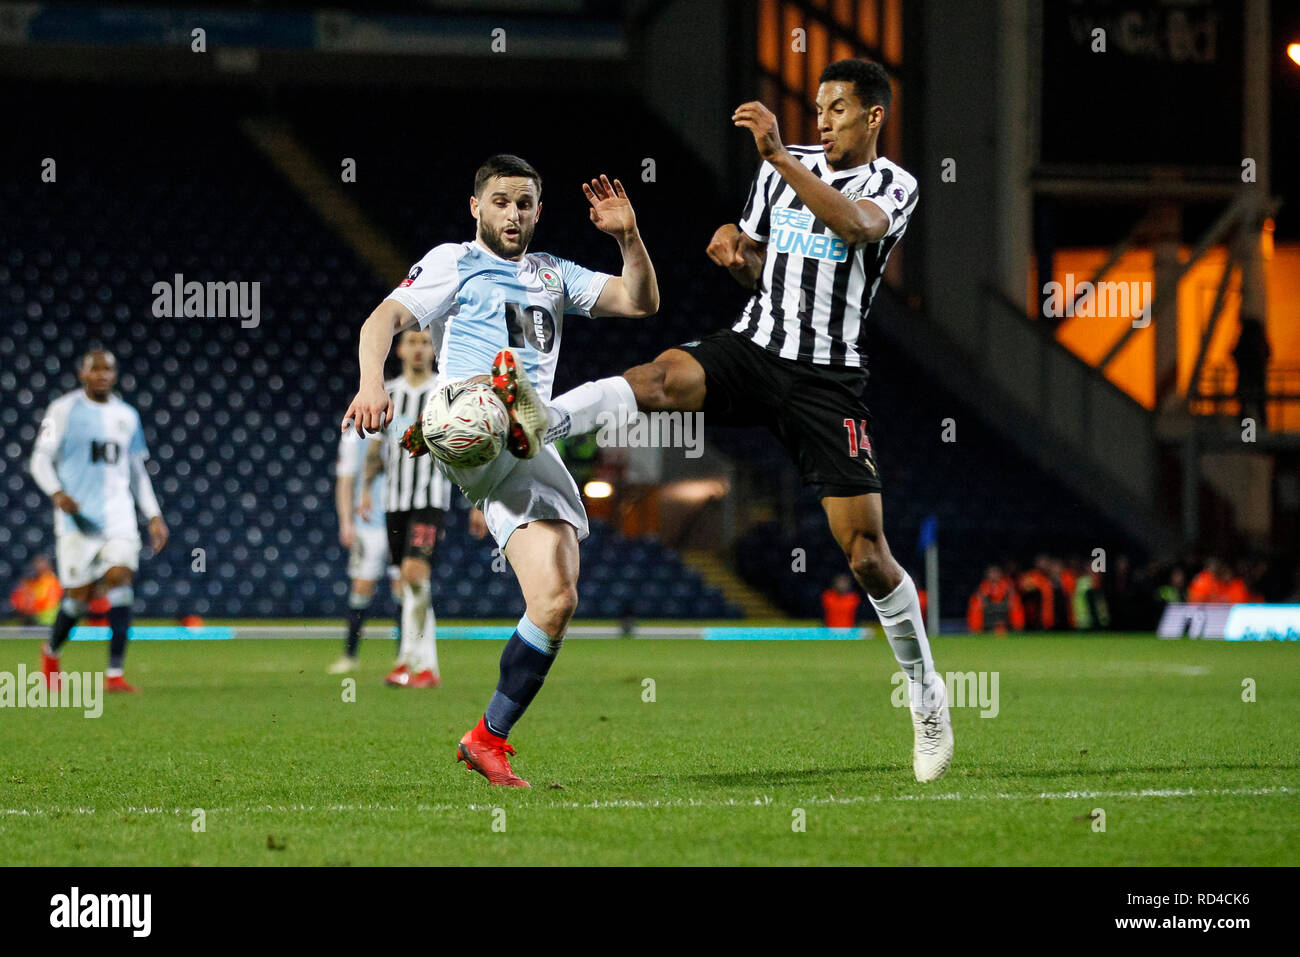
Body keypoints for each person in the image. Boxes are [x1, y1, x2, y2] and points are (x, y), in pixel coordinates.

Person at [486, 60, 951, 782]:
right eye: (818, 108)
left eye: (837, 109)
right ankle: (543, 420)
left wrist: (772, 156)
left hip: (827, 380)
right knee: (661, 377)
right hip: (756, 346)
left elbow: (856, 227)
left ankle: (926, 697)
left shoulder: (892, 184)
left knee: (864, 551)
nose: (821, 120)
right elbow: (764, 265)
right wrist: (737, 251)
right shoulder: (786, 167)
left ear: (873, 118)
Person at [342, 154, 658, 786]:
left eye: (525, 204)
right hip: (478, 421)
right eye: (501, 201)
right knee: (621, 390)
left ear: (538, 211)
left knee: (556, 599)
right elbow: (383, 318)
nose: (513, 214)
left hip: (526, 451)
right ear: (475, 207)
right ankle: (486, 415)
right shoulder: (452, 262)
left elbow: (638, 300)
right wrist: (371, 383)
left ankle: (488, 736)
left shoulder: (552, 274)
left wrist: (628, 238)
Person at [29, 350, 168, 692]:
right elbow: (39, 459)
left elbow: (137, 471)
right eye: (96, 369)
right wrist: (57, 493)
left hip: (119, 517)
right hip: (77, 521)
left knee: (120, 578)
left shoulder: (127, 416)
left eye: (108, 369)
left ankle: (115, 674)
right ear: (83, 374)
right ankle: (51, 653)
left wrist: (153, 514)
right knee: (79, 597)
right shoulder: (61, 411)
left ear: (115, 375)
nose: (102, 375)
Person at [360, 329, 460, 689]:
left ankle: (413, 662)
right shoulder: (388, 394)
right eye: (413, 342)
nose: (419, 348)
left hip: (431, 499)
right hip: (395, 502)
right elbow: (377, 449)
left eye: (426, 342)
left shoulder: (445, 392)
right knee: (407, 584)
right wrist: (367, 491)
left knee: (416, 574)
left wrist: (478, 502)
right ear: (399, 349)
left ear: (435, 350)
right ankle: (418, 664)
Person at [967, 565, 1024, 635]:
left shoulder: (1007, 585)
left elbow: (1012, 599)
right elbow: (980, 600)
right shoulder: (983, 587)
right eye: (991, 573)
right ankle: (976, 630)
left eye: (996, 573)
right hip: (989, 615)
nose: (994, 575)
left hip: (1004, 614)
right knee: (975, 604)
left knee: (1015, 603)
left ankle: (1017, 629)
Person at [9, 555, 62, 625]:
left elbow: (51, 601)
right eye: (37, 563)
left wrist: (33, 605)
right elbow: (19, 599)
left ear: (49, 566)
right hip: (31, 617)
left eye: (42, 563)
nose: (39, 566)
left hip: (48, 620)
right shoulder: (30, 581)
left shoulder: (53, 581)